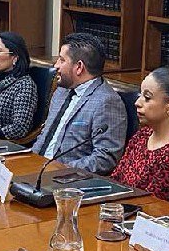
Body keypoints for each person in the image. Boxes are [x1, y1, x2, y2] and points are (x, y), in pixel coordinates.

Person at [31, 32, 127, 174]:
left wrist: (60, 169)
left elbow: (105, 158)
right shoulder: (61, 91)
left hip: (66, 179)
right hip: (36, 167)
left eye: (62, 60)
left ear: (79, 67)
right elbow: (45, 135)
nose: (56, 65)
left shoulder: (107, 102)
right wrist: (29, 161)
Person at [111, 66, 169, 207]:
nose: (137, 103)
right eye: (140, 95)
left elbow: (145, 204)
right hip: (123, 214)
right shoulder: (143, 135)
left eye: (147, 98)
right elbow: (116, 180)